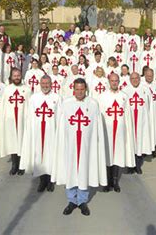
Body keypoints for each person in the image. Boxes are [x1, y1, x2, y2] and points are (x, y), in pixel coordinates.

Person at [51, 78, 107, 216]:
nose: (80, 92)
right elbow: (61, 127)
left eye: (82, 89)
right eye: (77, 89)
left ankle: (82, 201)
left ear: (86, 89)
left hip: (87, 145)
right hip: (70, 145)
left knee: (84, 170)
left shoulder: (93, 104)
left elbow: (97, 127)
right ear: (73, 89)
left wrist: (96, 144)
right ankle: (71, 200)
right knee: (70, 170)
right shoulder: (66, 104)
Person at [20, 75, 62, 192]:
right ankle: (42, 180)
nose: (45, 85)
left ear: (51, 84)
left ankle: (50, 180)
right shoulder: (34, 98)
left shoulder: (57, 98)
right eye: (43, 83)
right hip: (37, 132)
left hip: (52, 133)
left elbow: (60, 116)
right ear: (40, 84)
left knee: (51, 155)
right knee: (39, 156)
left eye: (47, 83)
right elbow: (30, 117)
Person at [98, 73, 134, 193]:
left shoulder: (124, 97)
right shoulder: (102, 96)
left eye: (116, 81)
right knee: (107, 155)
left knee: (118, 155)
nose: (114, 83)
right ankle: (107, 181)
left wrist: (128, 131)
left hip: (119, 131)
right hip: (106, 130)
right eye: (112, 81)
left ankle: (115, 181)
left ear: (119, 82)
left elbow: (128, 115)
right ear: (109, 81)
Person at [0, 68, 31, 175]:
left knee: (22, 142)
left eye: (18, 75)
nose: (17, 77)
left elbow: (30, 106)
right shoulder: (7, 90)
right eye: (15, 76)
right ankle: (14, 165)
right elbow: (3, 107)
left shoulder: (27, 90)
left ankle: (22, 165)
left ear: (21, 76)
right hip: (10, 121)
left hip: (22, 121)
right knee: (12, 143)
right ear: (11, 77)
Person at [124, 72, 151, 174]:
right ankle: (130, 166)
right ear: (130, 79)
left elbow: (148, 105)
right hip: (130, 121)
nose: (135, 80)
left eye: (136, 78)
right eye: (132, 78)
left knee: (140, 143)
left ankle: (138, 165)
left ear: (139, 79)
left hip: (141, 121)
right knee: (130, 143)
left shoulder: (145, 90)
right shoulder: (125, 90)